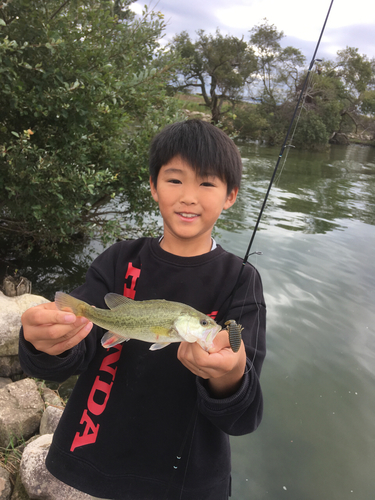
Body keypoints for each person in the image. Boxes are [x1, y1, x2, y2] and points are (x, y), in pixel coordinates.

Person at [19, 119, 266, 500]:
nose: (188, 196)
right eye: (174, 179)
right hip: (95, 456)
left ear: (230, 195)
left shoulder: (242, 279)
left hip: (186, 479)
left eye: (207, 182)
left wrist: (229, 376)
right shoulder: (119, 260)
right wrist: (45, 343)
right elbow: (71, 356)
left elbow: (242, 414)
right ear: (152, 187)